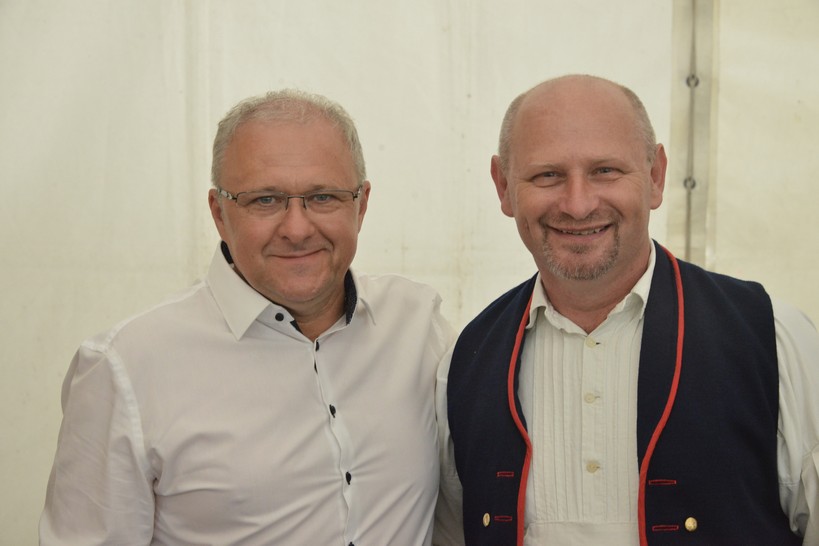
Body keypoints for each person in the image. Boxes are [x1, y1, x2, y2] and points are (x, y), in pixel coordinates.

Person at [40, 89, 454, 545]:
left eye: (323, 197)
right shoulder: (126, 367)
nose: (297, 228)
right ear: (219, 213)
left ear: (362, 204)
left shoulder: (418, 326)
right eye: (265, 200)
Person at [434, 75, 819, 545]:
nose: (578, 205)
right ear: (503, 187)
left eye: (605, 171)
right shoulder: (466, 362)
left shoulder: (771, 339)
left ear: (655, 176)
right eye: (547, 175)